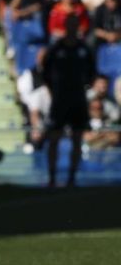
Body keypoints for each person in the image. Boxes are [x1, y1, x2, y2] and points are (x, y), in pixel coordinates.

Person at [39, 20, 96, 188]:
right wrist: (55, 89)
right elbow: (46, 72)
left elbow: (92, 73)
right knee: (54, 137)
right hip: (60, 100)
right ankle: (52, 177)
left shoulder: (84, 49)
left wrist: (82, 87)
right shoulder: (56, 49)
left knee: (77, 138)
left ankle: (72, 178)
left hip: (78, 99)